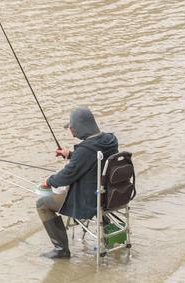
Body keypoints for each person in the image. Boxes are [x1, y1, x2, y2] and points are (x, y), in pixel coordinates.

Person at [35, 107, 119, 259]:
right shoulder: (110, 140)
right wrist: (71, 155)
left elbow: (66, 176)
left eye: (72, 127)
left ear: (81, 127)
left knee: (42, 204)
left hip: (89, 200)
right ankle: (108, 231)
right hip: (111, 196)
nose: (71, 131)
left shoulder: (86, 150)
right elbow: (91, 160)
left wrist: (48, 181)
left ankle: (61, 250)